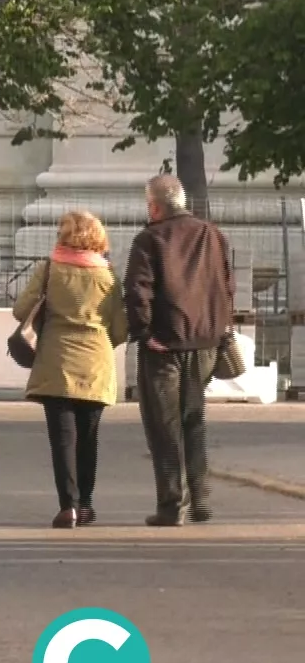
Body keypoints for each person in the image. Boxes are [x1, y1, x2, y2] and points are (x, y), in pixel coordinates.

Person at [125, 173, 234, 526]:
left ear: (155, 206)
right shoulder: (212, 235)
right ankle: (200, 498)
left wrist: (143, 332)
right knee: (193, 419)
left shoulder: (149, 239)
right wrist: (219, 329)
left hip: (164, 344)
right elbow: (227, 285)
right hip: (205, 341)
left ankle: (172, 505)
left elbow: (138, 290)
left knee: (164, 425)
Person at [13, 211, 128, 530]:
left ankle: (69, 506)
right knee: (89, 438)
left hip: (56, 363)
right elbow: (120, 328)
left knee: (63, 439)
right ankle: (87, 503)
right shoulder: (109, 278)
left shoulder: (50, 269)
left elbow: (21, 310)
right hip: (96, 365)